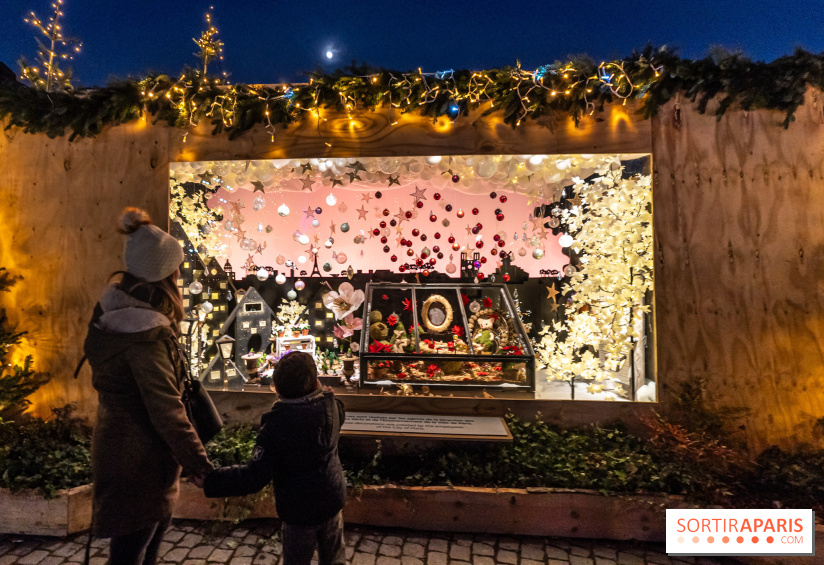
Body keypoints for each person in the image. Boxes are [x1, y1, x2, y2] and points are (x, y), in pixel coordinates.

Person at [83, 208, 213, 565]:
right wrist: (201, 466)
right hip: (138, 464)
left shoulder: (112, 317)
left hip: (126, 452)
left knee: (136, 552)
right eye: (176, 268)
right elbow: (166, 409)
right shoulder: (144, 337)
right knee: (130, 556)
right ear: (164, 274)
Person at [199, 351, 346, 565]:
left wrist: (212, 480)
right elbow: (337, 408)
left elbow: (253, 477)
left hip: (299, 511)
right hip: (332, 499)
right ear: (316, 384)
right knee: (335, 558)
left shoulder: (276, 427)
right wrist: (326, 394)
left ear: (276, 389)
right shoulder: (332, 407)